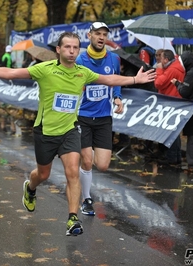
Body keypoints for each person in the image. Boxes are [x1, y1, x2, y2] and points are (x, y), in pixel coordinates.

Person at [0, 32, 156, 236]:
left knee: (73, 172)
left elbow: (108, 79)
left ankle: (73, 219)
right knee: (42, 175)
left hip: (70, 131)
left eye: (75, 48)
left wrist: (135, 79)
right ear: (58, 49)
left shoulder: (83, 72)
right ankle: (30, 187)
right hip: (45, 131)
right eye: (67, 47)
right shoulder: (44, 70)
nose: (72, 51)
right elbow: (12, 73)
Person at [75, 22, 122, 216]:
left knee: (102, 164)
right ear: (89, 36)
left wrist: (117, 97)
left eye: (104, 34)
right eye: (97, 34)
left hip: (104, 117)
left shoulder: (114, 59)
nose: (101, 37)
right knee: (87, 162)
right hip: (83, 116)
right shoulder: (79, 59)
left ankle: (81, 170)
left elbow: (117, 80)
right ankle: (86, 199)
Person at [154, 49, 185, 165]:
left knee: (171, 131)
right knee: (174, 131)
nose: (159, 61)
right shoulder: (176, 67)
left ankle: (172, 157)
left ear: (166, 59)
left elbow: (158, 83)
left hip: (170, 102)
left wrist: (159, 69)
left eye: (161, 58)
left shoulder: (171, 69)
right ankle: (175, 156)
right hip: (174, 100)